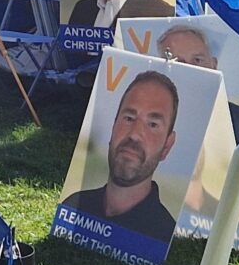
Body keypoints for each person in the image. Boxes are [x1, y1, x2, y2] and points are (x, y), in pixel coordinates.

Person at [63, 70, 179, 243]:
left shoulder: (163, 234)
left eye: (152, 124)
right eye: (129, 118)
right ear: (113, 127)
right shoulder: (74, 206)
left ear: (167, 146)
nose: (134, 135)